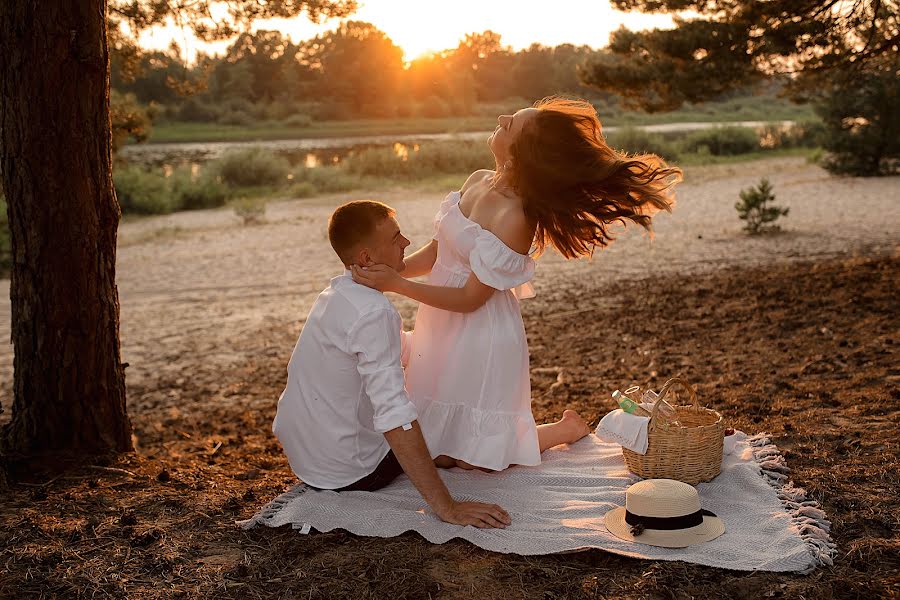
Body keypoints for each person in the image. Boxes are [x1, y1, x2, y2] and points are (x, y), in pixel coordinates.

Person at [352, 96, 682, 472]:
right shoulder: (476, 180)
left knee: (474, 461)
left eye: (511, 124)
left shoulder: (515, 217)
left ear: (522, 153)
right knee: (434, 450)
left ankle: (565, 429)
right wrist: (384, 275)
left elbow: (471, 298)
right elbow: (439, 251)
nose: (501, 116)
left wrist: (395, 284)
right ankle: (524, 436)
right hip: (439, 323)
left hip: (481, 334)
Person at [273, 200, 511, 529]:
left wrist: (457, 345)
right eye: (396, 237)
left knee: (431, 406)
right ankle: (553, 433)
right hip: (348, 471)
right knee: (456, 426)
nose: (407, 243)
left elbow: (399, 349)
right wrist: (447, 507)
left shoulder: (338, 293)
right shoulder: (374, 312)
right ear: (367, 258)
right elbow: (394, 415)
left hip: (306, 457)